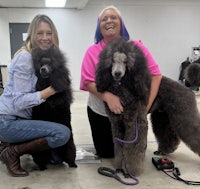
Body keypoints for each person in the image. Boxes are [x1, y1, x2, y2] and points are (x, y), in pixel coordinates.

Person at [80, 5, 162, 158]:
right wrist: (108, 97)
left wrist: (145, 107)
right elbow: (88, 81)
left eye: (113, 17)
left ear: (121, 23)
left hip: (131, 112)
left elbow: (156, 75)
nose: (109, 21)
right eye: (104, 19)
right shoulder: (92, 51)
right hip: (101, 111)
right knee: (107, 154)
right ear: (99, 27)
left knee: (132, 153)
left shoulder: (136, 47)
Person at [0, 14, 71, 177]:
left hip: (19, 119)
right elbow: (18, 102)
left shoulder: (41, 57)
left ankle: (6, 143)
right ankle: (11, 151)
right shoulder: (26, 57)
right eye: (40, 33)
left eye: (49, 33)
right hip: (7, 120)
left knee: (55, 159)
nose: (45, 38)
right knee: (62, 133)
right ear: (32, 34)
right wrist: (52, 90)